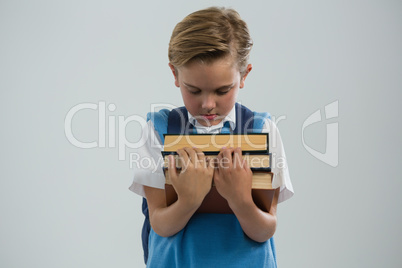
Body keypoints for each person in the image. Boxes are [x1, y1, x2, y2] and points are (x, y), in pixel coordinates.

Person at [129, 6, 294, 267]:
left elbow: (266, 228)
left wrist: (240, 200)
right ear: (175, 74)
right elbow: (158, 223)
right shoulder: (159, 129)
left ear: (244, 75)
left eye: (222, 90)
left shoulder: (261, 129)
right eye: (193, 90)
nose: (207, 104)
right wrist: (189, 200)